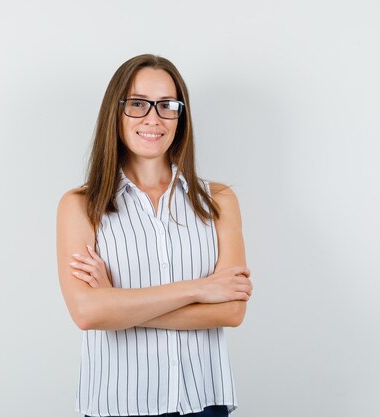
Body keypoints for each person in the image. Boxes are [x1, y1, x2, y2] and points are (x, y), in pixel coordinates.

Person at [56, 54, 253, 417]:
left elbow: (232, 308)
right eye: (137, 104)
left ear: (181, 115)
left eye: (167, 105)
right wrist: (199, 289)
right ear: (115, 112)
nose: (153, 118)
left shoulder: (219, 200)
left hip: (204, 402)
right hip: (116, 405)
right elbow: (86, 312)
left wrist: (116, 306)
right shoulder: (80, 205)